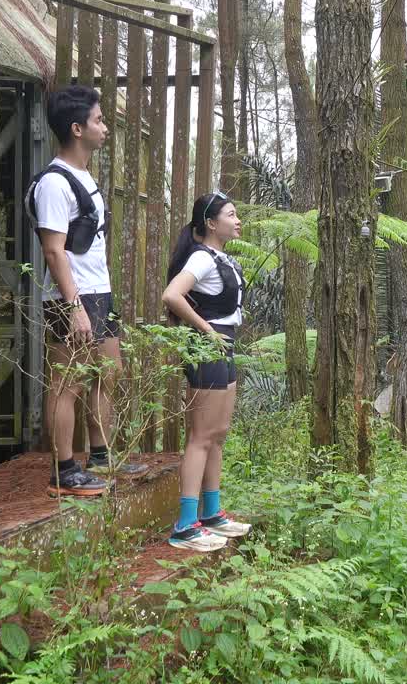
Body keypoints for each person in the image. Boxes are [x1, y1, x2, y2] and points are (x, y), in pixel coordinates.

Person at [27, 85, 147, 498]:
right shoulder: (54, 184)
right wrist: (74, 306)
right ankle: (63, 470)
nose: (105, 127)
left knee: (108, 371)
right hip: (71, 296)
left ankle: (100, 454)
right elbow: (53, 250)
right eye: (98, 120)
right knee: (68, 383)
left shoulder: (82, 176)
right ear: (77, 128)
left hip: (99, 290)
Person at [161, 192, 253, 551]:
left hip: (224, 345)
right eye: (232, 214)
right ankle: (186, 524)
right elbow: (172, 295)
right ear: (211, 224)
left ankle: (212, 513)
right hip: (208, 347)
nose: (238, 220)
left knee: (218, 433)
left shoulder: (220, 257)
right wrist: (207, 330)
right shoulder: (201, 257)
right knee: (201, 435)